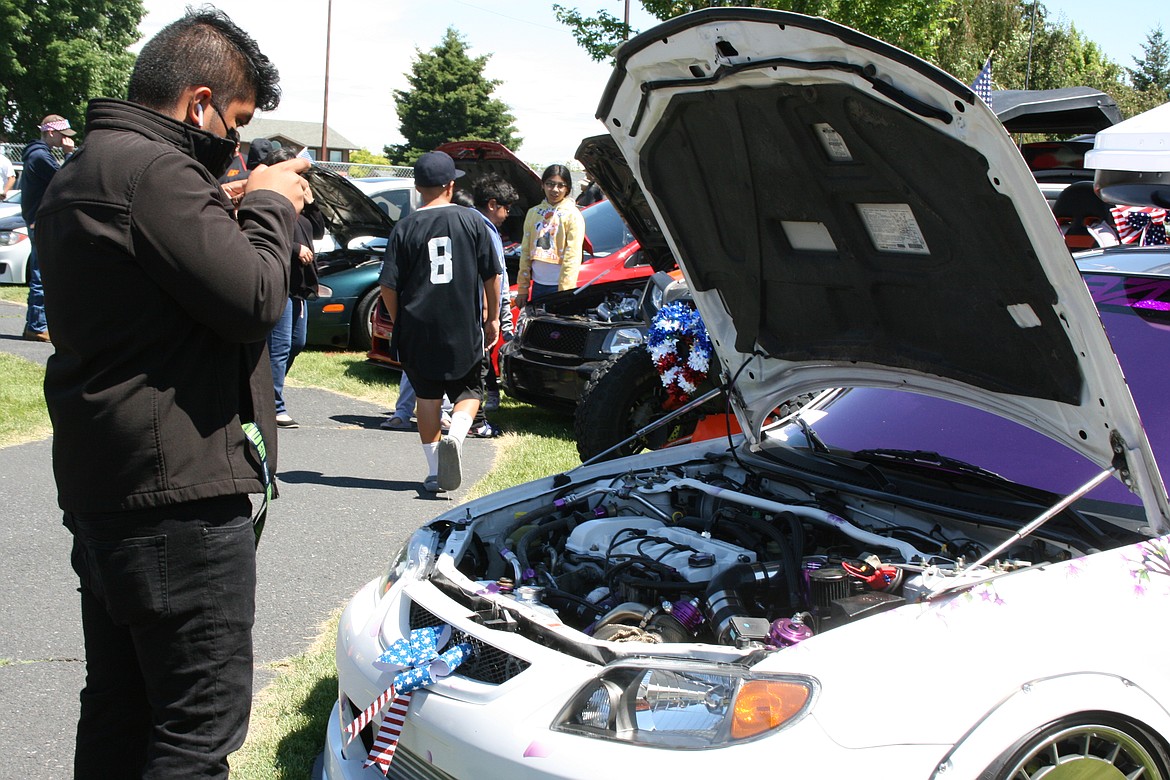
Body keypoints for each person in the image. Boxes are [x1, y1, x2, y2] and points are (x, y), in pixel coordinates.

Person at [34, 8, 310, 778]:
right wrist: (268, 202)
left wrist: (236, 208)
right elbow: (256, 297)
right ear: (199, 103)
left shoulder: (86, 166)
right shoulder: (155, 172)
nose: (237, 139)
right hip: (176, 504)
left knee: (121, 713)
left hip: (113, 489)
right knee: (196, 730)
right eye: (238, 120)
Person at [379, 150, 500, 492]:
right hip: (461, 323)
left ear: (418, 187)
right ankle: (458, 435)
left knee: (427, 396)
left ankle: (435, 472)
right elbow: (492, 274)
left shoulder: (404, 226)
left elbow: (387, 284)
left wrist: (400, 316)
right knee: (471, 389)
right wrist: (491, 316)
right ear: (450, 185)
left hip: (418, 325)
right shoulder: (473, 220)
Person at [261, 145, 325, 428]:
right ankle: (273, 405)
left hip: (300, 285)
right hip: (280, 282)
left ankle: (265, 394)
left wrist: (311, 202)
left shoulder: (298, 203)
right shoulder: (269, 200)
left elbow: (319, 230)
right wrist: (294, 248)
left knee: (296, 344)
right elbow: (263, 234)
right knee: (280, 345)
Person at [470, 172, 519, 427]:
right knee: (480, 366)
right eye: (506, 208)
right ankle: (477, 422)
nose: (508, 213)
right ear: (492, 204)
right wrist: (495, 318)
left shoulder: (473, 224)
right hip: (480, 310)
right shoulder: (485, 230)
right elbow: (493, 277)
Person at [21, 114, 76, 341]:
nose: (66, 140)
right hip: (39, 221)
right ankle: (37, 325)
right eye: (63, 135)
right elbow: (67, 180)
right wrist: (69, 154)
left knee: (41, 273)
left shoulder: (36, 154)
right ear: (51, 132)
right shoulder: (41, 157)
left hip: (36, 219)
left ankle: (34, 324)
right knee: (41, 276)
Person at [515, 164, 585, 306]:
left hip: (558, 287)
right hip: (538, 285)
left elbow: (573, 255)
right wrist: (523, 288)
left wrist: (565, 292)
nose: (555, 190)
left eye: (561, 185)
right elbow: (526, 251)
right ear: (543, 185)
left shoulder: (573, 215)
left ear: (568, 189)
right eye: (550, 184)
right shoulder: (533, 213)